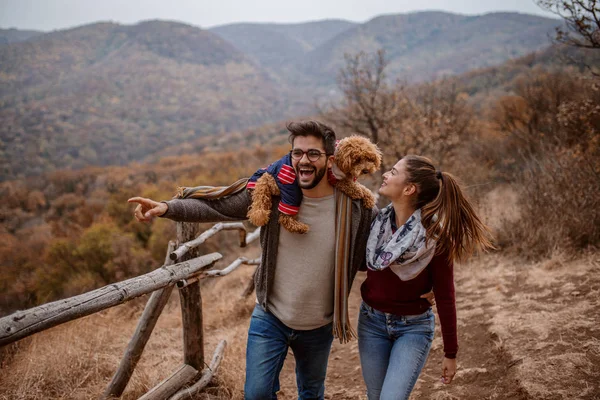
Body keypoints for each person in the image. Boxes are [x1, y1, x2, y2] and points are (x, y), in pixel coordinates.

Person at [128, 120, 376, 400]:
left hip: (320, 323)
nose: (303, 161)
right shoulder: (275, 191)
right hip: (271, 316)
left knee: (311, 393)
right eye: (297, 153)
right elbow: (220, 206)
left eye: (313, 154)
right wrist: (166, 208)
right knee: (257, 394)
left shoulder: (355, 207)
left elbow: (377, 252)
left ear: (330, 159)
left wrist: (424, 280)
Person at [358, 155, 494, 400]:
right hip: (371, 323)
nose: (386, 175)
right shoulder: (375, 224)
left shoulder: (433, 238)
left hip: (412, 328)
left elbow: (445, 296)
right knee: (375, 396)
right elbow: (358, 264)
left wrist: (450, 353)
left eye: (393, 171)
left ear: (409, 189)